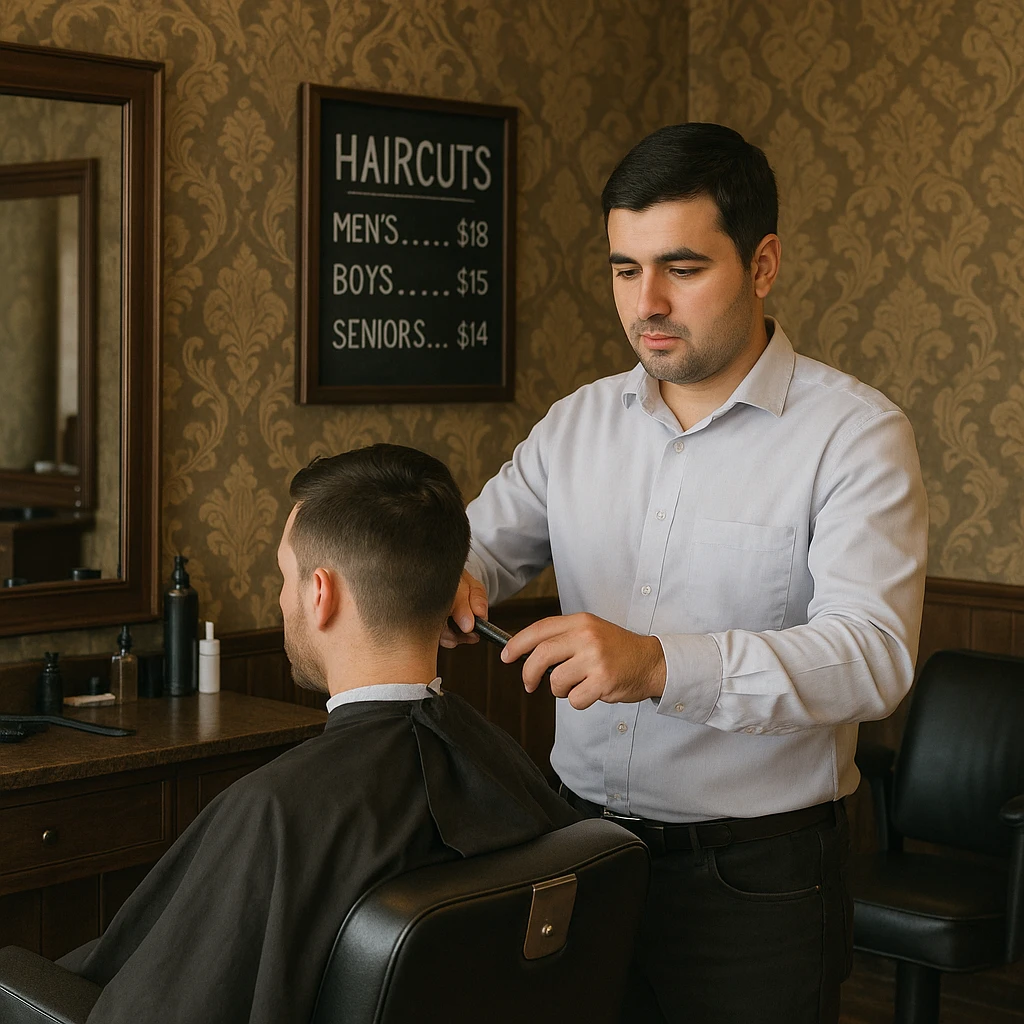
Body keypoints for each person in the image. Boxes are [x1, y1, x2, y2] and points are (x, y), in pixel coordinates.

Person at [444, 123, 929, 1023]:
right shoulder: (576, 424)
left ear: (764, 263)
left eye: (682, 268)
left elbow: (873, 657)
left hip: (757, 882)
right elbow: (475, 548)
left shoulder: (855, 436)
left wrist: (660, 664)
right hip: (576, 850)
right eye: (625, 269)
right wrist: (446, 578)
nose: (647, 302)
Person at [58, 444, 578, 1024]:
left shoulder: (275, 811)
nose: (283, 597)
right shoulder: (504, 764)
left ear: (321, 593)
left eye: (286, 576)